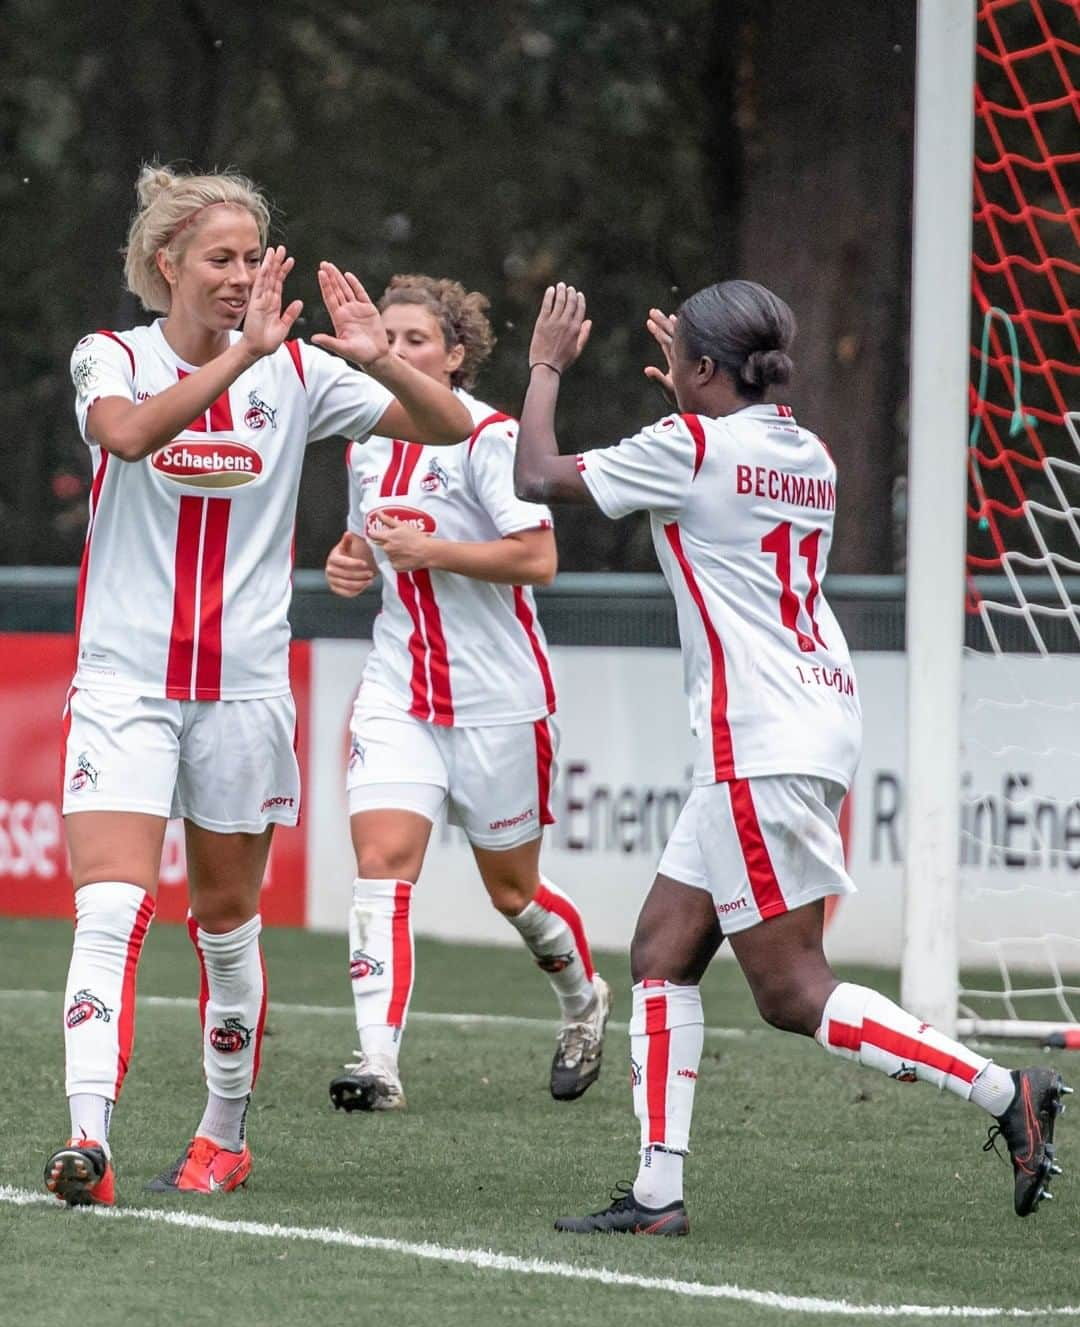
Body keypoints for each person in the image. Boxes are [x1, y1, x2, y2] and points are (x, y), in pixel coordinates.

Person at [512, 279, 1069, 1233]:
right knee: (660, 953)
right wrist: (688, 399)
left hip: (756, 735)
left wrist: (545, 365)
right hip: (812, 714)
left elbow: (536, 476)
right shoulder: (806, 449)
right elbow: (722, 481)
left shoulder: (688, 446)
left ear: (699, 370)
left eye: (685, 356)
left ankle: (1003, 1090)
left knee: (790, 988)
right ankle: (656, 1197)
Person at [45, 166, 473, 1207]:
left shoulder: (298, 374)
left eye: (252, 259)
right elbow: (129, 438)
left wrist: (383, 365)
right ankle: (86, 1141)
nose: (241, 277)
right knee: (109, 908)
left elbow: (452, 427)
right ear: (167, 265)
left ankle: (222, 1136)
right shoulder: (113, 357)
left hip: (242, 691)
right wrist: (244, 355)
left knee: (226, 925)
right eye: (220, 260)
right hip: (126, 684)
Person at [322, 273, 610, 1113]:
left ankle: (582, 1001)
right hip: (398, 690)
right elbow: (364, 542)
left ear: (455, 356)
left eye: (416, 341)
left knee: (513, 894)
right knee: (382, 863)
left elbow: (538, 560)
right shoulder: (367, 439)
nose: (397, 351)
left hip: (498, 702)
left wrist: (436, 551)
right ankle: (377, 1064)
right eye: (390, 337)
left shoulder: (489, 437)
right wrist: (349, 561)